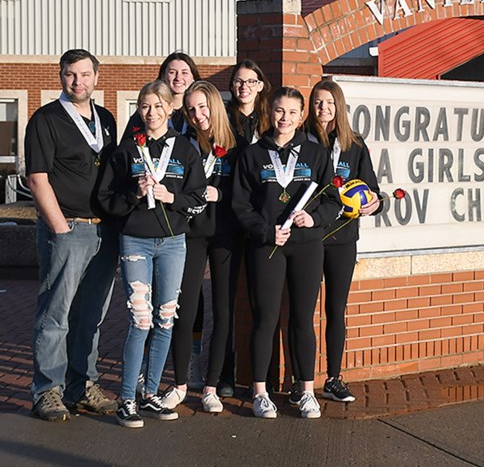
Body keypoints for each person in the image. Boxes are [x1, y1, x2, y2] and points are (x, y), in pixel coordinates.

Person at [98, 80, 207, 428]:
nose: (152, 112)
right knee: (140, 320)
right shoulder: (126, 149)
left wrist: (171, 197)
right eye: (145, 106)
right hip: (136, 241)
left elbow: (199, 197)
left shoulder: (185, 150)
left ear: (170, 109)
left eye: (159, 106)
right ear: (138, 109)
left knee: (165, 319)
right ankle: (126, 398)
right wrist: (134, 192)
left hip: (174, 241)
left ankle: (150, 393)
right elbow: (106, 200)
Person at [232, 87, 341, 419]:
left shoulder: (316, 153)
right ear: (270, 112)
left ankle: (306, 390)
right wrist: (266, 231)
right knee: (264, 319)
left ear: (302, 116)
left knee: (302, 320)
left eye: (293, 113)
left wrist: (315, 217)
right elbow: (240, 204)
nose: (285, 118)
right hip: (268, 246)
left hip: (306, 246)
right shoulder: (252, 155)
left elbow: (332, 200)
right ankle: (261, 391)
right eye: (280, 111)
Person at [25, 49, 120, 421]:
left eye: (84, 74)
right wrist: (60, 228)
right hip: (67, 228)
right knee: (56, 314)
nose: (77, 82)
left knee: (90, 315)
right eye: (70, 75)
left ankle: (82, 385)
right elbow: (37, 178)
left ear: (97, 77)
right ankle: (47, 390)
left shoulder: (107, 119)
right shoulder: (46, 119)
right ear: (60, 76)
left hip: (103, 232)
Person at [285, 79, 381, 404]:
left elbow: (373, 189)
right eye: (317, 103)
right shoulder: (301, 142)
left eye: (329, 102)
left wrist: (375, 202)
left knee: (335, 309)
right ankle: (301, 381)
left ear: (339, 106)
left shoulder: (354, 145)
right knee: (301, 311)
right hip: (309, 237)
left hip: (342, 237)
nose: (323, 108)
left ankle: (334, 378)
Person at [160, 81, 245, 413]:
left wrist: (220, 194)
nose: (197, 115)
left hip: (226, 235)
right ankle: (181, 384)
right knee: (186, 310)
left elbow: (246, 192)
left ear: (214, 105)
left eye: (202, 107)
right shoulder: (182, 145)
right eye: (191, 110)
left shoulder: (237, 147)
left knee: (223, 311)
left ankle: (211, 387)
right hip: (192, 234)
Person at [124, 52, 201, 137]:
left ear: (193, 77)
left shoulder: (200, 112)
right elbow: (127, 146)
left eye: (184, 73)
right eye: (172, 72)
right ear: (163, 76)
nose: (178, 78)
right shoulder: (147, 113)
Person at [226, 59, 271, 143]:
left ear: (260, 86)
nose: (244, 87)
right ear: (232, 86)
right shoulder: (223, 118)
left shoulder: (270, 119)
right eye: (239, 82)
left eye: (251, 81)